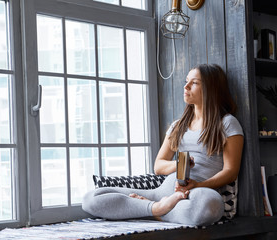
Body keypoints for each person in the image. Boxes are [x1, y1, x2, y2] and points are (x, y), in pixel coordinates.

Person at [82, 64, 244, 226]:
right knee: (91, 198)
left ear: (211, 89)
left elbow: (230, 171)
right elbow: (159, 166)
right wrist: (180, 164)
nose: (185, 86)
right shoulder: (178, 126)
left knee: (211, 206)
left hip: (196, 194)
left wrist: (198, 185)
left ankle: (154, 212)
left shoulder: (227, 123)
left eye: (194, 83)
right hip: (163, 193)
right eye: (186, 81)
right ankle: (157, 208)